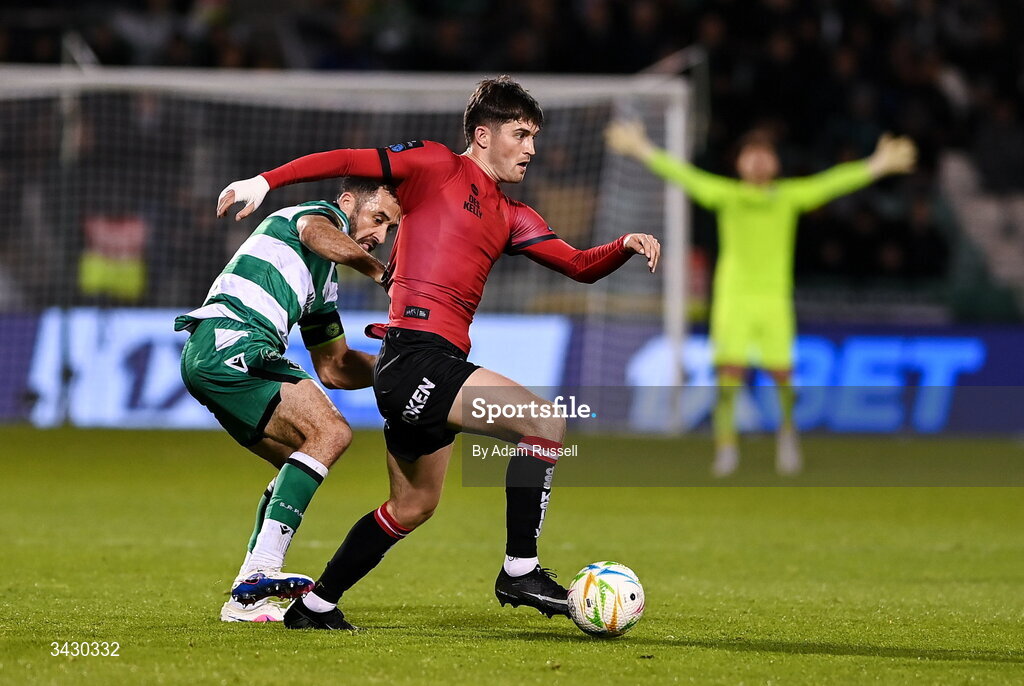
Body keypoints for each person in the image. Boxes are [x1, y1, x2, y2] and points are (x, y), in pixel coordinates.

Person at [217, 75, 661, 630]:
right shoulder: (432, 167)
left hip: (425, 367)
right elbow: (344, 158)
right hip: (415, 356)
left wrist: (622, 245)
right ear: (482, 133)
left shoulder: (513, 214)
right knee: (544, 423)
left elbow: (576, 265)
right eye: (520, 134)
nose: (531, 149)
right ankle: (520, 569)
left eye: (535, 138)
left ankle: (315, 605)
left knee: (412, 507)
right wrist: (265, 180)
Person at [605, 122, 916, 476]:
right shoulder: (727, 195)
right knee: (728, 380)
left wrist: (877, 164)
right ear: (739, 164)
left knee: (783, 379)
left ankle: (787, 435)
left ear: (775, 164)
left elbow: (833, 183)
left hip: (774, 300)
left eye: (764, 155)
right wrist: (642, 148)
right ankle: (726, 448)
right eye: (750, 156)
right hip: (733, 300)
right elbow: (683, 175)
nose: (757, 162)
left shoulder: (787, 197)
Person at [176, 177, 400, 622]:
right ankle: (261, 570)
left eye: (390, 229)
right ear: (348, 203)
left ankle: (247, 600)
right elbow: (316, 233)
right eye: (377, 218)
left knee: (300, 460)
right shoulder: (317, 218)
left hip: (215, 353)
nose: (380, 235)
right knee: (330, 432)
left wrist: (401, 368)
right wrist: (380, 272)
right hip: (233, 337)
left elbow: (334, 366)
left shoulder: (322, 283)